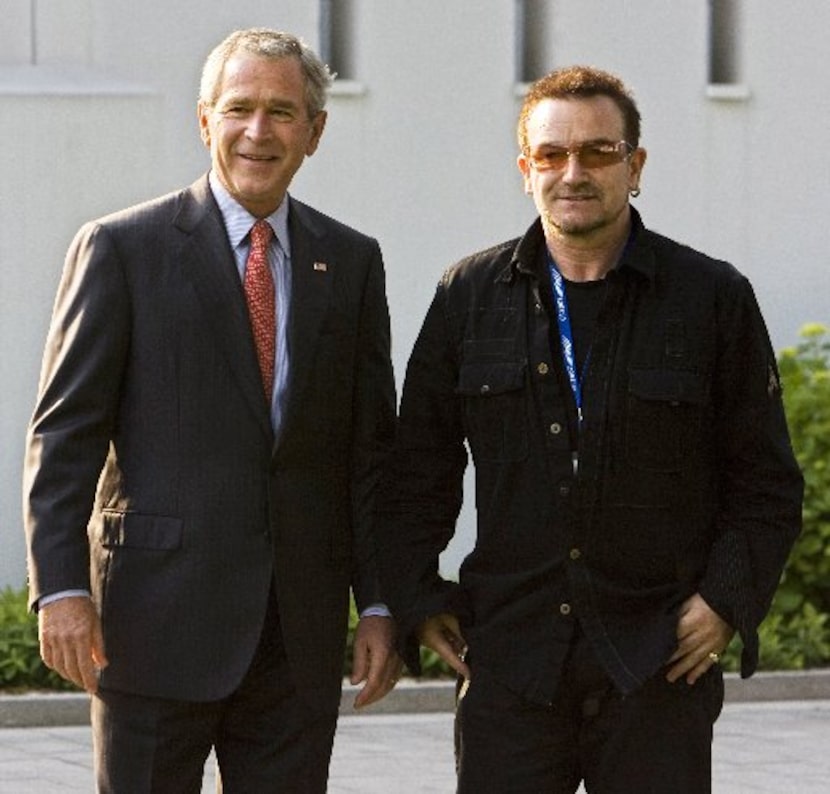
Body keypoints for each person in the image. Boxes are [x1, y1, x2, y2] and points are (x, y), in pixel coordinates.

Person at [376, 65, 803, 793]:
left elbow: (765, 483)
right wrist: (419, 600)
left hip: (658, 659)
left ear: (635, 166)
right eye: (551, 155)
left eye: (599, 152)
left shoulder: (711, 298)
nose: (573, 172)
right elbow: (417, 471)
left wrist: (727, 601)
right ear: (525, 170)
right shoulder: (467, 298)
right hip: (510, 661)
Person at [23, 27, 402, 793]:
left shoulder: (351, 262)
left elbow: (370, 453)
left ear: (315, 132)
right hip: (152, 625)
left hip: (295, 635)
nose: (258, 132)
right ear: (206, 122)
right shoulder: (121, 249)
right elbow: (64, 433)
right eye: (239, 109)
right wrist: (60, 587)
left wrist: (382, 602)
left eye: (282, 112)